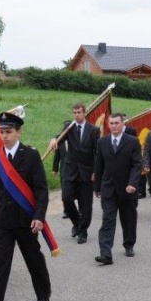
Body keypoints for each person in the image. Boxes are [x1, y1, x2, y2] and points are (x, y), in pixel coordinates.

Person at [0, 112, 52, 301]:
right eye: (1, 132)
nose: (4, 136)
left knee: (33, 258)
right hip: (4, 221)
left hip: (26, 219)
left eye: (8, 132)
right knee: (0, 264)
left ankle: (43, 294)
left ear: (19, 132)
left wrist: (39, 216)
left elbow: (41, 190)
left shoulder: (31, 155)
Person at [93, 112, 144, 264]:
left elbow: (137, 165)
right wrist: (97, 187)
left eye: (117, 123)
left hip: (128, 189)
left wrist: (132, 183)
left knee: (128, 219)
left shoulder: (133, 141)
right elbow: (99, 165)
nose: (114, 126)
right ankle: (106, 253)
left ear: (123, 124)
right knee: (107, 220)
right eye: (111, 123)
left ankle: (129, 244)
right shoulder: (102, 142)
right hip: (108, 188)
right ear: (108, 125)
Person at [49, 102, 100, 244]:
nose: (76, 115)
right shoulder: (69, 127)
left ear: (85, 113)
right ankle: (77, 224)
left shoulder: (93, 130)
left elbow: (97, 152)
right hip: (70, 170)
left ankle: (83, 232)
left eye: (79, 112)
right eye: (74, 113)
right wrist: (54, 139)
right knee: (66, 198)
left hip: (86, 172)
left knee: (85, 205)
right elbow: (59, 138)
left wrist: (96, 171)